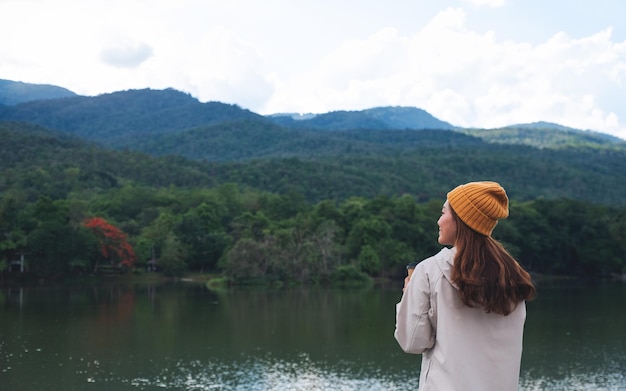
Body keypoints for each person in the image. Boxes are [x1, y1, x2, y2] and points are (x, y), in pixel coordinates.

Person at [394, 181, 535, 391]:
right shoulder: (512, 274)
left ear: (461, 219)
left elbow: (412, 341)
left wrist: (408, 296)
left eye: (443, 212)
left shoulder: (430, 270)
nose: (439, 220)